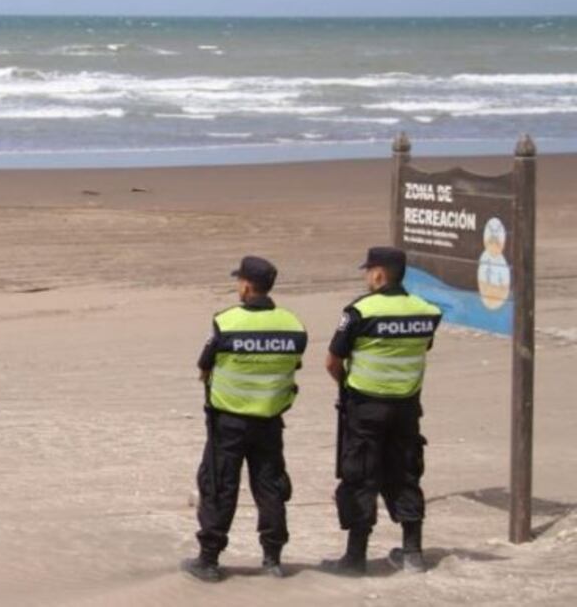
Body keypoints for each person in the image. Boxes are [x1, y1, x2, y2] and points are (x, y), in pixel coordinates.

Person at [184, 256, 308, 582]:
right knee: (270, 487)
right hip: (269, 421)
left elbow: (204, 366)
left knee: (219, 486)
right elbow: (292, 366)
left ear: (246, 286)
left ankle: (208, 560)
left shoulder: (227, 322)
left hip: (229, 422)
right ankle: (272, 559)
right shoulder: (293, 325)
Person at [324, 246, 442, 575]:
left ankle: (355, 558)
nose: (366, 277)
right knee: (406, 473)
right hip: (406, 407)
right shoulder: (427, 311)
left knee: (361, 475)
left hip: (365, 406)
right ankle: (413, 553)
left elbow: (333, 361)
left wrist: (347, 386)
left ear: (378, 274)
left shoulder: (360, 310)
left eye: (368, 271)